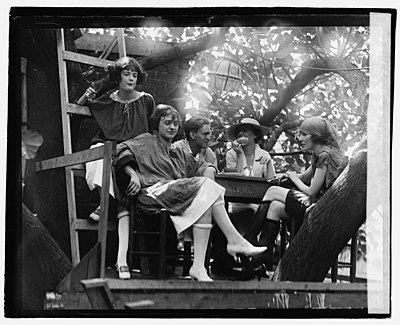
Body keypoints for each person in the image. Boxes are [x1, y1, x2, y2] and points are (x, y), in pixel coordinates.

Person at [113, 104, 268, 281]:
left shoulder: (178, 152)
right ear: (157, 124)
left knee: (205, 198)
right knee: (206, 188)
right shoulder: (147, 140)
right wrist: (132, 173)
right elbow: (120, 151)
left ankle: (198, 267)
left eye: (175, 124)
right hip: (151, 193)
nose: (172, 127)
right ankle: (234, 241)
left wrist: (209, 168)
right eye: (167, 123)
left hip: (173, 194)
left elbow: (200, 167)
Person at [76, 56, 155, 279]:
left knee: (125, 196)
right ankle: (105, 202)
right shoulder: (109, 99)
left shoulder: (146, 100)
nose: (131, 78)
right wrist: (102, 84)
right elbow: (82, 102)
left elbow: (151, 132)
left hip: (133, 153)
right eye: (126, 73)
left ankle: (121, 259)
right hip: (110, 149)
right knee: (97, 155)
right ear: (117, 76)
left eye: (135, 74)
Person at [241, 116, 344, 279]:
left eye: (304, 134)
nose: (299, 138)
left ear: (315, 135)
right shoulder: (318, 155)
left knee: (273, 191)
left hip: (320, 208)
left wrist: (293, 178)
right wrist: (288, 175)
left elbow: (311, 191)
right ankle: (256, 263)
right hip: (313, 204)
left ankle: (249, 237)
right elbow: (304, 177)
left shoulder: (325, 155)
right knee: (274, 207)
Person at [211, 117, 276, 276]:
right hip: (236, 203)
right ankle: (235, 263)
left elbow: (272, 182)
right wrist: (240, 154)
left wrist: (267, 165)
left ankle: (256, 264)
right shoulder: (232, 154)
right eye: (239, 132)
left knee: (260, 216)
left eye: (245, 131)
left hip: (258, 204)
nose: (241, 134)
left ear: (254, 135)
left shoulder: (264, 155)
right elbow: (239, 175)